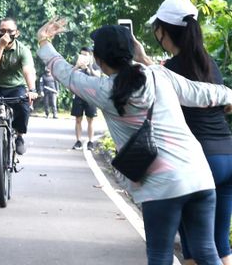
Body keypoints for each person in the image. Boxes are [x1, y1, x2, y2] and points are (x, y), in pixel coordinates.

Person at [37, 19, 231, 265]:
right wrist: (229, 96)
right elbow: (203, 92)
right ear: (131, 51)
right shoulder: (158, 75)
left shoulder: (101, 89)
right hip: (199, 176)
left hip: (161, 185)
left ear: (98, 59)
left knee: (160, 256)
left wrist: (44, 41)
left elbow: (63, 72)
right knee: (206, 252)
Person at [137, 0, 232, 265]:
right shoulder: (209, 63)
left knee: (194, 247)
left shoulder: (171, 70)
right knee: (220, 242)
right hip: (227, 154)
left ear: (163, 31)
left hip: (199, 162)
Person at [0, 17, 38, 191]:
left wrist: (32, 89)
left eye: (9, 31)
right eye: (2, 30)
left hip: (15, 88)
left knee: (24, 105)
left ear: (16, 33)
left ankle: (19, 134)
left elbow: (28, 70)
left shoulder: (23, 50)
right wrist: (1, 47)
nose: (5, 34)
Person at [71, 47, 100, 150]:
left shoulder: (95, 65)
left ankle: (90, 142)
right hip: (78, 95)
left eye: (85, 55)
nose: (83, 57)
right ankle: (78, 141)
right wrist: (77, 66)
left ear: (90, 55)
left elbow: (97, 76)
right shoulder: (77, 65)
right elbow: (70, 76)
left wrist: (88, 68)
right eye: (81, 54)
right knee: (78, 119)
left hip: (91, 96)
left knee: (90, 119)